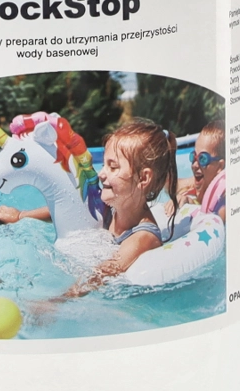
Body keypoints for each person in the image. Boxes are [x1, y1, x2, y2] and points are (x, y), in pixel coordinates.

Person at [49, 120, 180, 301]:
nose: (101, 174)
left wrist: (58, 301)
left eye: (113, 167)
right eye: (104, 165)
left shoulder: (143, 237)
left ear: (143, 178)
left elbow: (104, 272)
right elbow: (70, 209)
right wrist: (21, 215)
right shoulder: (110, 209)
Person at [182, 121, 226, 221]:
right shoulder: (190, 185)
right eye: (194, 156)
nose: (194, 165)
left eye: (202, 159)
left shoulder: (223, 206)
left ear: (220, 166)